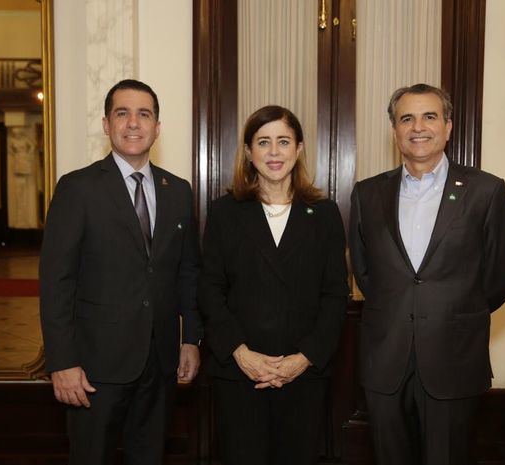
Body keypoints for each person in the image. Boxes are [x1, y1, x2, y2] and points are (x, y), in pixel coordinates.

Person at [349, 83, 505, 465]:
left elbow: (501, 274)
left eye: (429, 116)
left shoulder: (485, 191)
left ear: (448, 126)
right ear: (394, 130)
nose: (418, 127)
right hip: (386, 356)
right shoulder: (367, 194)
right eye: (406, 118)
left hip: (453, 356)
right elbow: (364, 271)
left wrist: (452, 311)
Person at [39, 79, 202, 465]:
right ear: (106, 124)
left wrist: (191, 338)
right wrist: (62, 361)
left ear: (157, 127)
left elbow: (188, 273)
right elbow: (56, 281)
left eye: (144, 114)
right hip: (94, 368)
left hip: (160, 363)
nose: (133, 123)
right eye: (122, 113)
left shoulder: (178, 191)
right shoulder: (77, 189)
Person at [198, 105, 348, 465]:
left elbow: (334, 295)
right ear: (249, 152)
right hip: (239, 373)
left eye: (283, 141)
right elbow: (209, 290)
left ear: (298, 149)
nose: (274, 152)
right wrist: (241, 353)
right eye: (263, 142)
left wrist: (303, 358)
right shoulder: (225, 212)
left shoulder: (324, 214)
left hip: (303, 375)